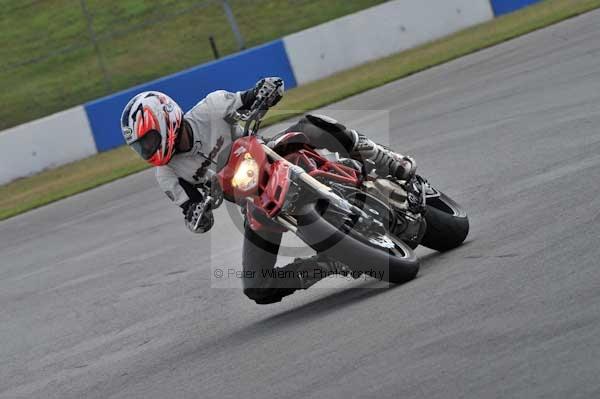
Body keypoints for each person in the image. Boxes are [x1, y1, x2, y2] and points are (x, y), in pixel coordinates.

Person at [120, 77, 416, 304]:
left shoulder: (210, 108)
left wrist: (265, 89)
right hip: (255, 200)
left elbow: (250, 97)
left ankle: (386, 160)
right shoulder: (168, 174)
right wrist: (198, 215)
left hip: (271, 154)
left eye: (148, 140)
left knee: (312, 126)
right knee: (257, 287)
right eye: (140, 147)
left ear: (165, 120)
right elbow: (193, 211)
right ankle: (331, 262)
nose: (146, 150)